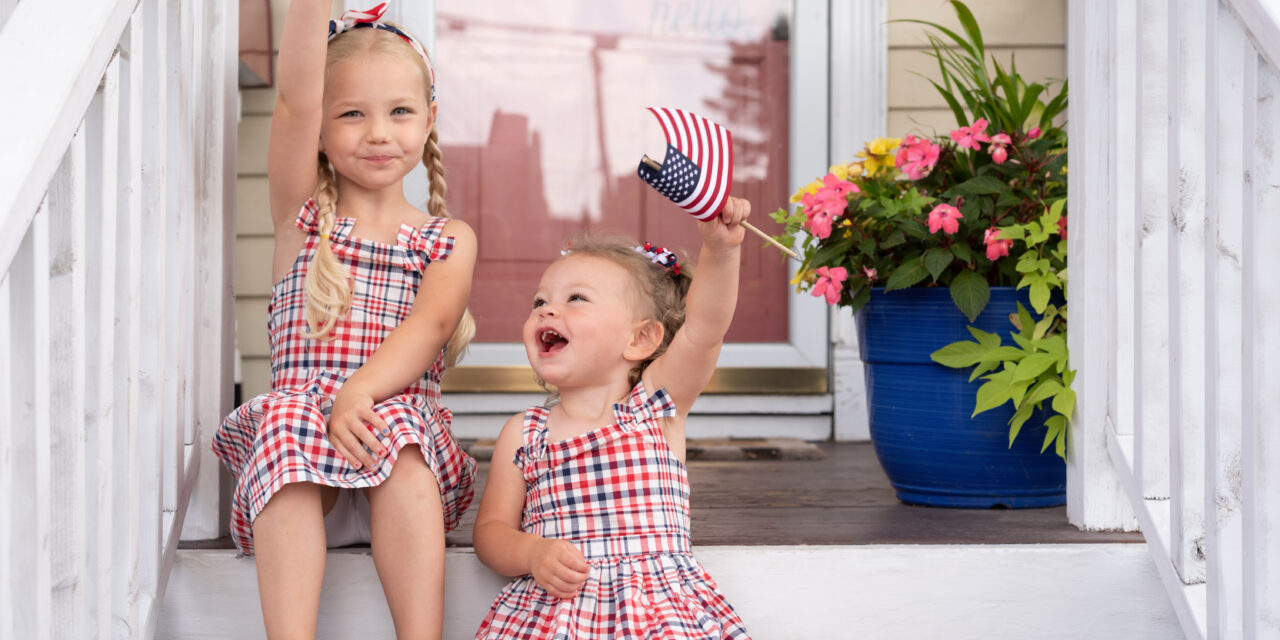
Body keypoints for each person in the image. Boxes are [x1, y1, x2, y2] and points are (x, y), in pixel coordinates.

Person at [211, 2, 476, 637]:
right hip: (302, 486)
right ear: (324, 130)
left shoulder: (445, 238)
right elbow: (295, 101)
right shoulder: (302, 217)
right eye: (352, 113)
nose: (379, 132)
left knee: (402, 435)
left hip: (396, 464)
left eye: (400, 111)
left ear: (430, 119)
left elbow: (430, 327)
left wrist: (360, 392)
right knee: (285, 417)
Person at [472, 198, 755, 638]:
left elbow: (704, 330)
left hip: (656, 612)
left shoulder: (655, 407)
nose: (547, 310)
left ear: (640, 338)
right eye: (540, 301)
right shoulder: (525, 432)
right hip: (560, 614)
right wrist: (531, 553)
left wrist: (721, 252)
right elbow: (491, 531)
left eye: (576, 299)